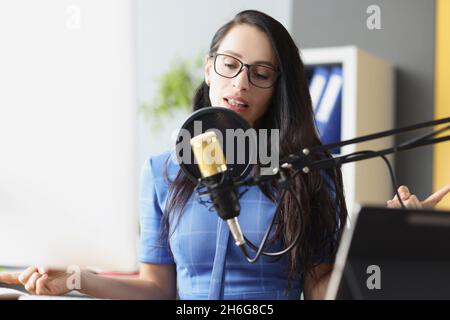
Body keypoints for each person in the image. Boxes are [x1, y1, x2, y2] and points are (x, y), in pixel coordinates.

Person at [0, 10, 449, 300]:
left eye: (260, 73)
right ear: (208, 68)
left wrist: (385, 244)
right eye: (230, 65)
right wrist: (75, 279)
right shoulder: (162, 171)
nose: (240, 84)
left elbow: (320, 291)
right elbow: (159, 288)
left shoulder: (309, 172)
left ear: (277, 89)